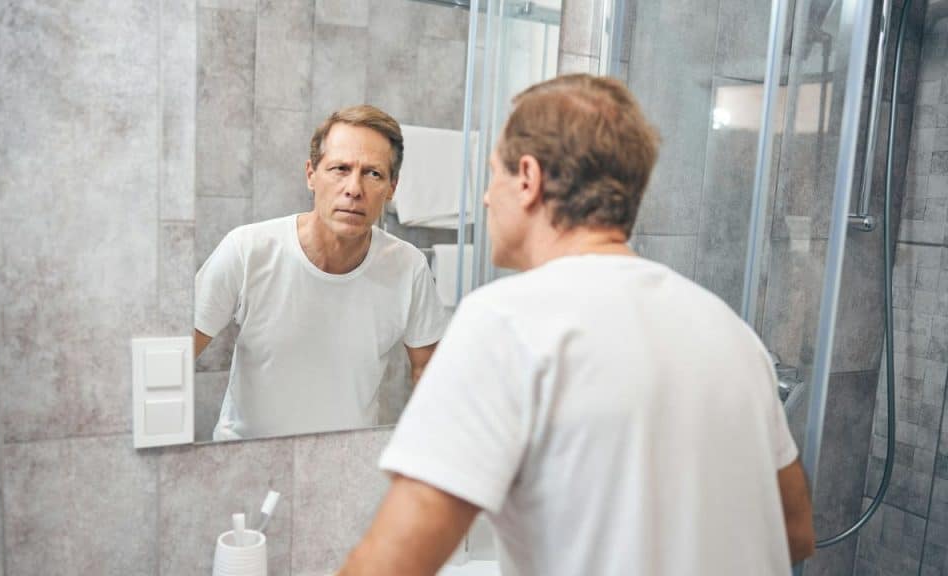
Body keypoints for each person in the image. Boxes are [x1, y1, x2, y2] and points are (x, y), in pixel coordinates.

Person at [338, 75, 815, 576]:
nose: (484, 198)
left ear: (528, 178)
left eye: (492, 174)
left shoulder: (506, 323)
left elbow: (391, 565)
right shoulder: (731, 333)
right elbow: (795, 529)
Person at [194, 105, 447, 440]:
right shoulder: (247, 250)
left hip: (343, 465)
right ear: (311, 174)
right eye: (340, 169)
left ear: (391, 188)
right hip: (247, 463)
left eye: (373, 174)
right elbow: (174, 357)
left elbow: (429, 373)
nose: (354, 189)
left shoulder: (408, 267)